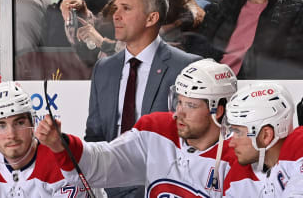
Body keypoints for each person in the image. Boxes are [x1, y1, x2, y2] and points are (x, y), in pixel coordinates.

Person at [36, 59, 240, 197]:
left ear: (218, 110)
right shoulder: (157, 130)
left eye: (191, 105)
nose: (179, 113)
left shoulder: (241, 155)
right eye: (179, 101)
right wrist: (62, 145)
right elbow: (102, 162)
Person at [82, 0, 201, 197]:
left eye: (126, 9)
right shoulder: (104, 68)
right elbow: (95, 135)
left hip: (163, 186)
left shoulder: (188, 67)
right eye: (116, 8)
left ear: (151, 18)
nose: (116, 15)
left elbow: (196, 140)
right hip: (111, 186)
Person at [0, 81, 105, 197]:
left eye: (19, 123)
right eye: (1, 126)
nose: (11, 134)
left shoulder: (63, 162)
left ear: (32, 123)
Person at [60, 0, 205, 65]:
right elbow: (89, 54)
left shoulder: (184, 15)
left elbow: (156, 55)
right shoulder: (117, 4)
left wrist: (103, 43)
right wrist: (82, 15)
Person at [198, 0, 303, 79]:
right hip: (205, 88)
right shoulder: (222, 6)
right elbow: (197, 56)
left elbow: (289, 73)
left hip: (257, 92)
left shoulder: (296, 11)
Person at [223, 82, 303, 197]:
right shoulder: (236, 179)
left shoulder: (299, 149)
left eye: (238, 132)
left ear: (266, 135)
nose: (231, 143)